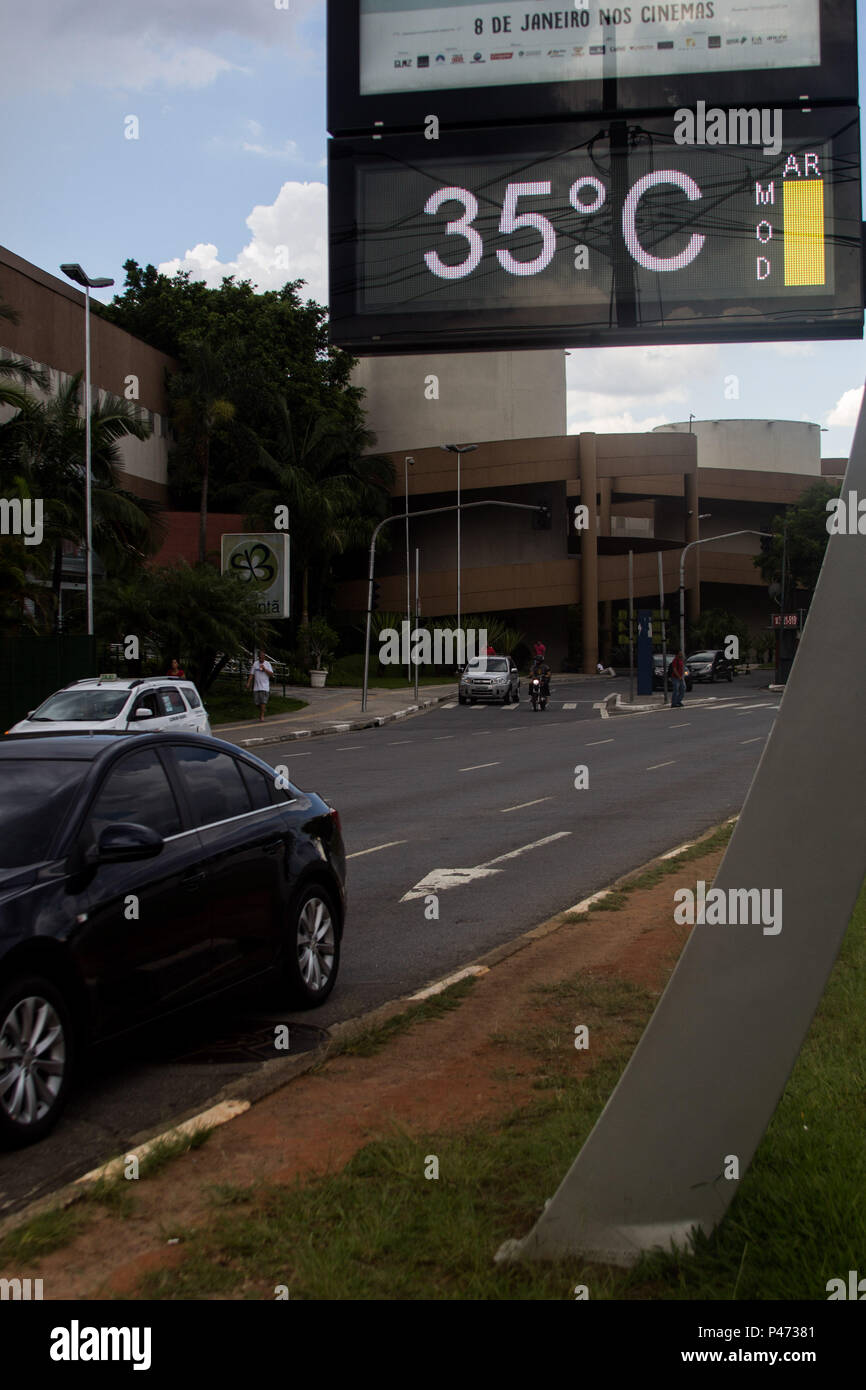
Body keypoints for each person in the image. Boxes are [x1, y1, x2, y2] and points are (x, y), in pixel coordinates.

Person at [246, 649, 274, 722]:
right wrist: (248, 683)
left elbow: (271, 674)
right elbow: (251, 674)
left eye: (262, 657)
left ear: (264, 657)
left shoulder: (267, 664)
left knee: (263, 702)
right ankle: (263, 709)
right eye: (260, 657)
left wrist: (265, 669)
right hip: (256, 687)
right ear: (258, 657)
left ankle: (261, 716)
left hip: (264, 687)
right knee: (256, 703)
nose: (261, 658)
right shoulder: (255, 664)